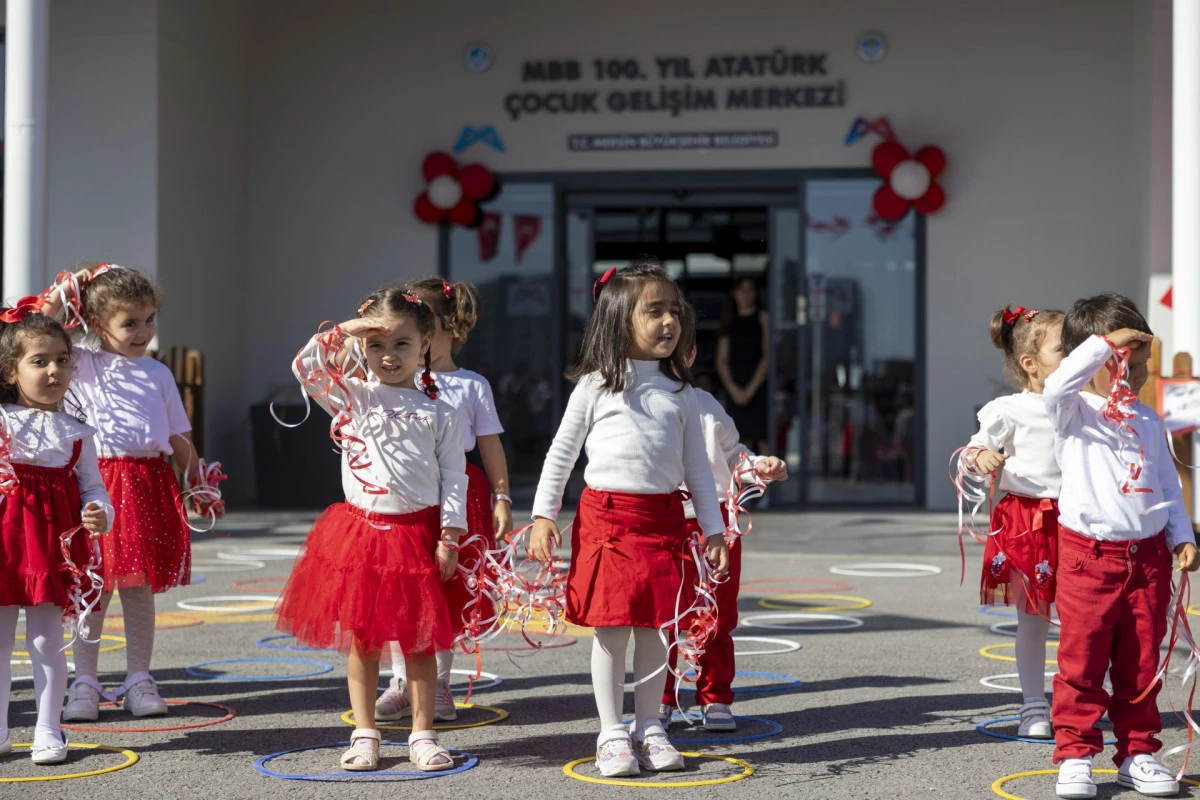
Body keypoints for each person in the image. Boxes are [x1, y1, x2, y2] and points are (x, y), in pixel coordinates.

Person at [528, 258, 729, 778]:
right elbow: (560, 454)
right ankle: (611, 732)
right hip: (607, 520)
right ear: (621, 321)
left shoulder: (683, 395)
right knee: (612, 631)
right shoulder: (595, 386)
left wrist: (713, 529)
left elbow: (698, 472)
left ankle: (650, 727)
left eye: (675, 313)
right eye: (654, 311)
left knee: (658, 629)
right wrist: (543, 515)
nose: (668, 323)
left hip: (663, 521)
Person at [274, 285, 465, 772]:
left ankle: (423, 734)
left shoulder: (439, 411)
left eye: (401, 343)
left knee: (419, 640)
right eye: (376, 345)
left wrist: (449, 536)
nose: (388, 355)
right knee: (364, 640)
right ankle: (365, 733)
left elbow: (454, 478)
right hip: (361, 537)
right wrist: (347, 331)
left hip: (417, 536)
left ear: (425, 343)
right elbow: (306, 367)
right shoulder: (351, 398)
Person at [41, 264, 218, 721]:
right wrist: (68, 290)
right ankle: (84, 683)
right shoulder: (80, 361)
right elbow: (42, 326)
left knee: (138, 589)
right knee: (92, 588)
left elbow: (178, 436)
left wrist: (197, 481)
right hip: (94, 484)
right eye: (130, 322)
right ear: (98, 325)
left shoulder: (158, 374)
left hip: (147, 486)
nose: (144, 331)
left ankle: (139, 678)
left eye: (149, 319)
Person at [1043, 292, 1199, 799]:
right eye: (1131, 360)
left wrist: (1182, 536)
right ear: (1104, 358)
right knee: (1082, 661)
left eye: (1144, 362)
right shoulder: (1073, 410)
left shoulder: (1149, 420)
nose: (1140, 372)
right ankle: (1075, 754)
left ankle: (1139, 752)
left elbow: (1167, 487)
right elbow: (1058, 381)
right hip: (1089, 556)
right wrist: (1103, 344)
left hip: (1148, 558)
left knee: (1140, 662)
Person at [376, 277, 511, 722]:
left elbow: (489, 444)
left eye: (420, 322)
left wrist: (502, 496)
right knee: (402, 592)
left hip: (459, 499)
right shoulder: (390, 383)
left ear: (444, 328)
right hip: (407, 501)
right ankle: (400, 683)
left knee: (446, 594)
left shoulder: (471, 386)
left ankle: (439, 687)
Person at [659, 301, 788, 731]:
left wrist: (760, 465)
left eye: (680, 349)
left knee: (716, 612)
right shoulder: (639, 404)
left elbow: (735, 455)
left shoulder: (708, 405)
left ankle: (716, 698)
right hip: (661, 518)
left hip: (715, 522)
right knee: (663, 613)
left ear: (692, 356)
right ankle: (658, 697)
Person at [0, 306, 111, 764]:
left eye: (62, 360)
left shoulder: (78, 432)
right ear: (12, 371)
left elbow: (94, 487)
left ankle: (48, 729)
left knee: (47, 641)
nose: (54, 370)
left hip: (52, 547)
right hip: (5, 542)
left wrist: (99, 512)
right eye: (39, 361)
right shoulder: (2, 422)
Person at [960, 305, 1064, 738]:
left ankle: (1081, 696)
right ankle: (1034, 706)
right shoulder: (1008, 409)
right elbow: (971, 450)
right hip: (1028, 522)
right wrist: (981, 456)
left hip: (1080, 518)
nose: (1075, 354)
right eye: (1064, 348)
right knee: (1033, 619)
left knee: (1085, 618)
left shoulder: (1084, 403)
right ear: (1030, 362)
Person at [715, 276, 769, 453]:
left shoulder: (763, 318)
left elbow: (767, 357)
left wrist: (750, 390)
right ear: (734, 293)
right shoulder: (729, 321)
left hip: (758, 386)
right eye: (741, 290)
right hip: (735, 387)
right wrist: (734, 390)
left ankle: (768, 480)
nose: (745, 295)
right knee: (740, 440)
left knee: (762, 439)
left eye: (750, 290)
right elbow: (721, 360)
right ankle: (744, 480)